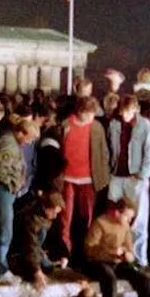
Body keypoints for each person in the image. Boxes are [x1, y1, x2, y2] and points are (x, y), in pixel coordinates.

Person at [0, 117, 39, 283]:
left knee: (3, 229)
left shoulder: (12, 142)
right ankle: (0, 270)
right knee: (4, 230)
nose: (28, 143)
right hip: (2, 191)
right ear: (20, 132)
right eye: (28, 138)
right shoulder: (9, 143)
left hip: (6, 191)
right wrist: (12, 183)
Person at [82, 197, 150, 297]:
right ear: (117, 213)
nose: (129, 220)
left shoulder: (125, 226)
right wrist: (111, 251)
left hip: (118, 262)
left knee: (144, 280)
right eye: (127, 216)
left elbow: (130, 250)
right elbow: (89, 248)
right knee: (110, 280)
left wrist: (128, 255)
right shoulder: (100, 222)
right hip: (99, 262)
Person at [57, 97, 109, 262]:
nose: (92, 117)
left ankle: (85, 250)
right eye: (89, 114)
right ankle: (65, 251)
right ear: (80, 112)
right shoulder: (65, 126)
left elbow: (103, 152)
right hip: (68, 178)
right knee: (66, 217)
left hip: (88, 179)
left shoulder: (96, 127)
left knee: (86, 217)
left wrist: (102, 176)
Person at [107, 95, 150, 268]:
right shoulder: (114, 123)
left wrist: (142, 176)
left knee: (138, 219)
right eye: (122, 111)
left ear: (135, 110)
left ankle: (139, 258)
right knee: (115, 216)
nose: (124, 114)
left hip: (135, 177)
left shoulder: (145, 126)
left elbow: (149, 153)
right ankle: (115, 255)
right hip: (116, 175)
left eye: (128, 111)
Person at [10, 192, 67, 289]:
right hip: (19, 252)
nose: (55, 216)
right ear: (45, 207)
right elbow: (30, 245)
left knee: (48, 266)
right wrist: (37, 271)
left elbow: (54, 239)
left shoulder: (45, 217)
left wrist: (63, 255)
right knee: (36, 269)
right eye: (53, 212)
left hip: (35, 249)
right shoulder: (31, 219)